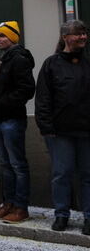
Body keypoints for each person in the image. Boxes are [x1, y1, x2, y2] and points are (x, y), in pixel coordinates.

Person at [35, 20, 90, 234]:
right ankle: (61, 214)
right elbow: (43, 98)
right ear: (66, 37)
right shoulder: (51, 64)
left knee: (87, 175)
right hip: (60, 132)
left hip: (86, 131)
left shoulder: (87, 64)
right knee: (61, 174)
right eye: (78, 34)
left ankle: (88, 217)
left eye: (84, 33)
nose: (83, 37)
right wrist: (46, 127)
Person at [0, 21, 35, 224]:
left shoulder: (19, 59)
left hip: (12, 119)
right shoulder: (3, 59)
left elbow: (27, 89)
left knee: (17, 165)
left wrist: (3, 104)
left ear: (13, 37)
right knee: (6, 165)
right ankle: (8, 204)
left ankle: (21, 207)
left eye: (3, 36)